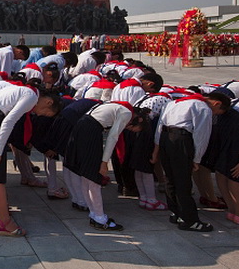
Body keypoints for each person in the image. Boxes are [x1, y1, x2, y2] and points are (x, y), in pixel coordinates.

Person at [0, 85, 61, 237]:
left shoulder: (20, 88)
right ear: (49, 102)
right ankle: (4, 222)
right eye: (46, 113)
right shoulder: (31, 96)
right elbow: (8, 121)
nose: (40, 114)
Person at [64, 101, 148, 231]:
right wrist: (104, 162)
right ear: (139, 120)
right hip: (91, 132)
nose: (128, 129)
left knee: (86, 176)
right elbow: (113, 137)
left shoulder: (114, 106)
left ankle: (94, 214)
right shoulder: (126, 113)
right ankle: (100, 217)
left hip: (81, 127)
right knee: (94, 178)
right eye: (132, 128)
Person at [154, 92, 230, 232]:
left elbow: (160, 127)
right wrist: (197, 159)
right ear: (216, 104)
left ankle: (176, 213)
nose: (215, 114)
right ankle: (190, 220)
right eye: (217, 112)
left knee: (170, 179)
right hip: (181, 141)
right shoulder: (202, 107)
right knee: (183, 182)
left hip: (166, 139)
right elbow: (201, 135)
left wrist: (157, 149)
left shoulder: (174, 103)